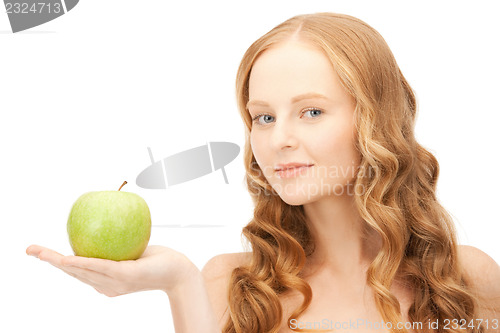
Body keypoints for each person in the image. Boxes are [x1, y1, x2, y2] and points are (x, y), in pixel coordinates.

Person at [26, 12, 499, 333]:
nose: (279, 139)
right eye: (264, 117)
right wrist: (178, 283)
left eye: (311, 111)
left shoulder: (465, 278)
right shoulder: (228, 284)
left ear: (375, 120)